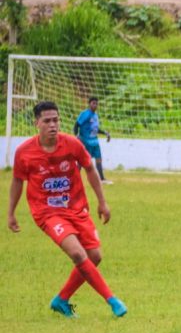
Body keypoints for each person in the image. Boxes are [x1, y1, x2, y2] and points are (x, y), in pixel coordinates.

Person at [8, 101, 127, 318]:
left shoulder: (72, 144)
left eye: (56, 120)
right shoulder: (24, 152)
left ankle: (61, 300)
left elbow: (90, 169)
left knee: (95, 256)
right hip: (46, 212)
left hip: (76, 208)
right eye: (47, 121)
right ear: (37, 123)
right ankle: (112, 300)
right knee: (77, 253)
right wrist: (11, 213)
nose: (53, 125)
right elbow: (17, 181)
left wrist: (102, 202)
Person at [74, 97, 112, 185]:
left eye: (96, 103)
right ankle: (74, 178)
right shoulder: (85, 114)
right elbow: (77, 125)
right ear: (89, 104)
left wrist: (105, 133)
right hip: (86, 141)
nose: (95, 105)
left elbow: (95, 129)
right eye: (93, 103)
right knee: (82, 160)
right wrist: (76, 136)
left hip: (95, 141)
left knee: (99, 159)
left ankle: (102, 179)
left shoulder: (95, 115)